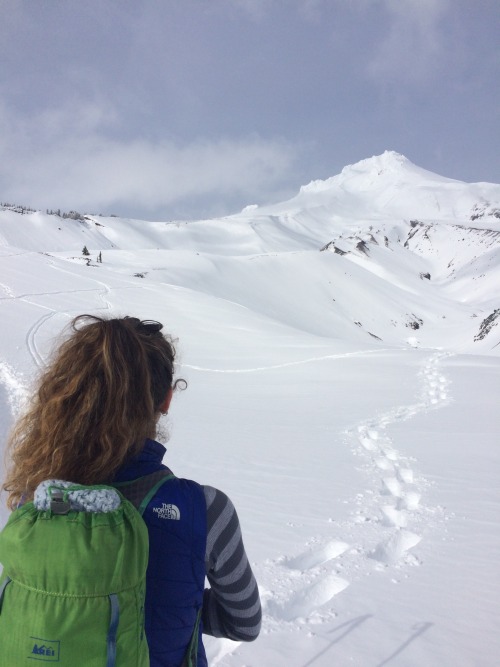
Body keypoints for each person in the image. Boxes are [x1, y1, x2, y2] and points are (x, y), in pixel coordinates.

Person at [1, 314, 261, 667]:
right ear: (165, 400)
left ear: (67, 397)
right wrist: (179, 605)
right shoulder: (206, 510)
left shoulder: (37, 500)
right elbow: (244, 622)